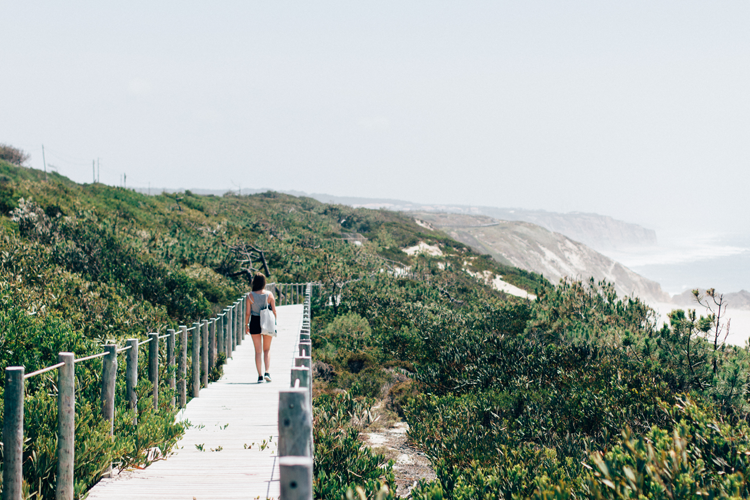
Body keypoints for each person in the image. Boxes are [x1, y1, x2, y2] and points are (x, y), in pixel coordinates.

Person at [245, 273, 277, 383]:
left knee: (258, 351)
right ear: (264, 282)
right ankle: (267, 372)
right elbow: (274, 311)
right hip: (267, 321)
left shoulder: (250, 296)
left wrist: (246, 325)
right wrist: (275, 324)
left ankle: (259, 376)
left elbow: (247, 314)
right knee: (267, 349)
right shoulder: (269, 295)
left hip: (254, 322)